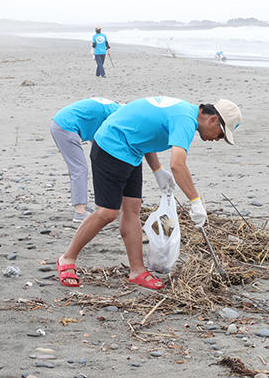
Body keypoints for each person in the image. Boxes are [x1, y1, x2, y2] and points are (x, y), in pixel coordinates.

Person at [56, 97, 242, 290]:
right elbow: (178, 164)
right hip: (111, 147)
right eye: (221, 134)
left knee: (132, 208)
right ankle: (66, 259)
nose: (217, 139)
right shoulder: (185, 120)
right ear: (212, 120)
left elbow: (144, 133)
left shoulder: (185, 113)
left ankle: (137, 270)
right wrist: (195, 202)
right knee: (107, 213)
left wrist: (157, 170)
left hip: (132, 150)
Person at [51, 97, 122, 222]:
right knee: (79, 168)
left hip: (63, 123)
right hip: (65, 127)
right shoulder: (117, 114)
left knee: (90, 166)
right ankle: (79, 212)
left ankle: (92, 206)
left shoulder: (111, 107)